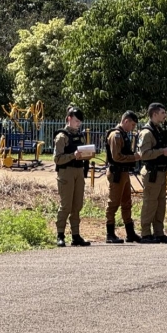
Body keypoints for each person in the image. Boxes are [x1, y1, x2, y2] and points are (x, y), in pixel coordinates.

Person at [136, 103, 167, 244]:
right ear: (154, 114)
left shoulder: (159, 130)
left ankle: (159, 233)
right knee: (150, 203)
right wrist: (162, 152)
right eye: (162, 112)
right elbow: (144, 154)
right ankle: (146, 233)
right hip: (152, 173)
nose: (165, 115)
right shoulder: (146, 133)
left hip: (161, 172)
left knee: (161, 204)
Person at [53, 106, 92, 247]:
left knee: (77, 205)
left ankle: (76, 235)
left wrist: (88, 154)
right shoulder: (61, 137)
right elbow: (57, 159)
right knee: (66, 205)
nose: (78, 124)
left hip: (78, 171)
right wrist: (72, 156)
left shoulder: (80, 135)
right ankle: (60, 235)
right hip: (66, 172)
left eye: (80, 122)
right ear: (69, 118)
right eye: (76, 121)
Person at [104, 110, 143, 244]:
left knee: (127, 203)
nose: (133, 128)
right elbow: (117, 157)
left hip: (124, 173)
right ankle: (110, 233)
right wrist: (135, 157)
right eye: (132, 124)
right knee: (113, 203)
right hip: (117, 173)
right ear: (126, 121)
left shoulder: (123, 134)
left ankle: (130, 233)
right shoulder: (116, 135)